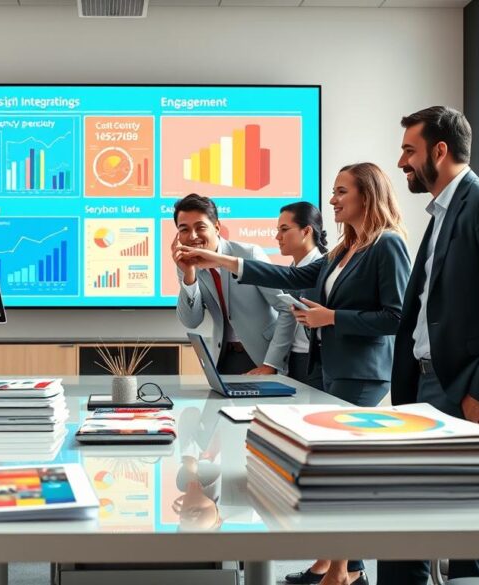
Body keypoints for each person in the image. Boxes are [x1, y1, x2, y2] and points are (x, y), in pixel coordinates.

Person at [176, 165, 410, 585]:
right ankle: (343, 568)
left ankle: (342, 571)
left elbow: (397, 316)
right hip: (332, 368)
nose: (332, 199)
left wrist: (331, 317)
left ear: (368, 194)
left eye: (341, 191)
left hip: (361, 372)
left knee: (336, 474)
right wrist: (215, 259)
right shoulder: (344, 250)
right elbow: (289, 277)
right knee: (326, 472)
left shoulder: (386, 245)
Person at [379, 106, 479, 585]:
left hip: (458, 389)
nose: (401, 161)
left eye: (409, 150)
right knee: (403, 525)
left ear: (439, 150)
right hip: (424, 387)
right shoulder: (443, 212)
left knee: (469, 536)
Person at [170, 193, 293, 375]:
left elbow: (287, 308)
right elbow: (191, 321)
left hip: (264, 356)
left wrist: (271, 364)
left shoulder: (249, 254)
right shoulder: (186, 264)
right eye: (184, 229)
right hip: (224, 358)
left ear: (217, 227)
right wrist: (189, 275)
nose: (193, 236)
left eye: (200, 227)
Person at [271, 202, 327, 389]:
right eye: (278, 230)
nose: (278, 237)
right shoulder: (292, 271)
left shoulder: (326, 269)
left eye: (284, 229)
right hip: (293, 360)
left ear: (306, 231)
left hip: (316, 362)